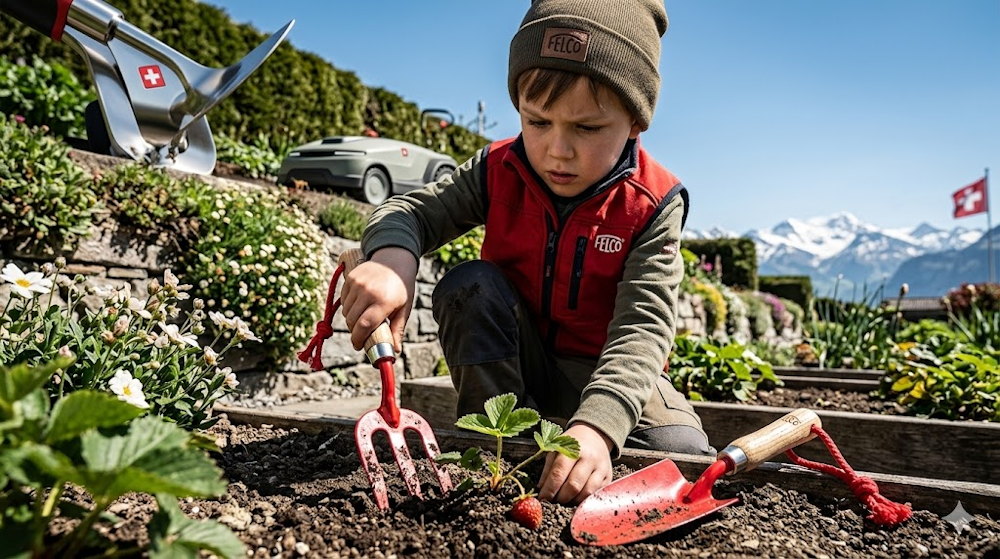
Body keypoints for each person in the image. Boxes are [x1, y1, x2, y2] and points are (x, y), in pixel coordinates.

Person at [339, 0, 711, 506]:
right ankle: (500, 453)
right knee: (470, 287)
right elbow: (410, 211)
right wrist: (390, 261)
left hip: (599, 369)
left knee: (681, 450)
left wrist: (599, 427)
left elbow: (642, 329)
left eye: (586, 128)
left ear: (634, 123)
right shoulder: (498, 168)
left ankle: (576, 441)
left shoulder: (651, 202)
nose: (557, 149)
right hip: (515, 364)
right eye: (537, 122)